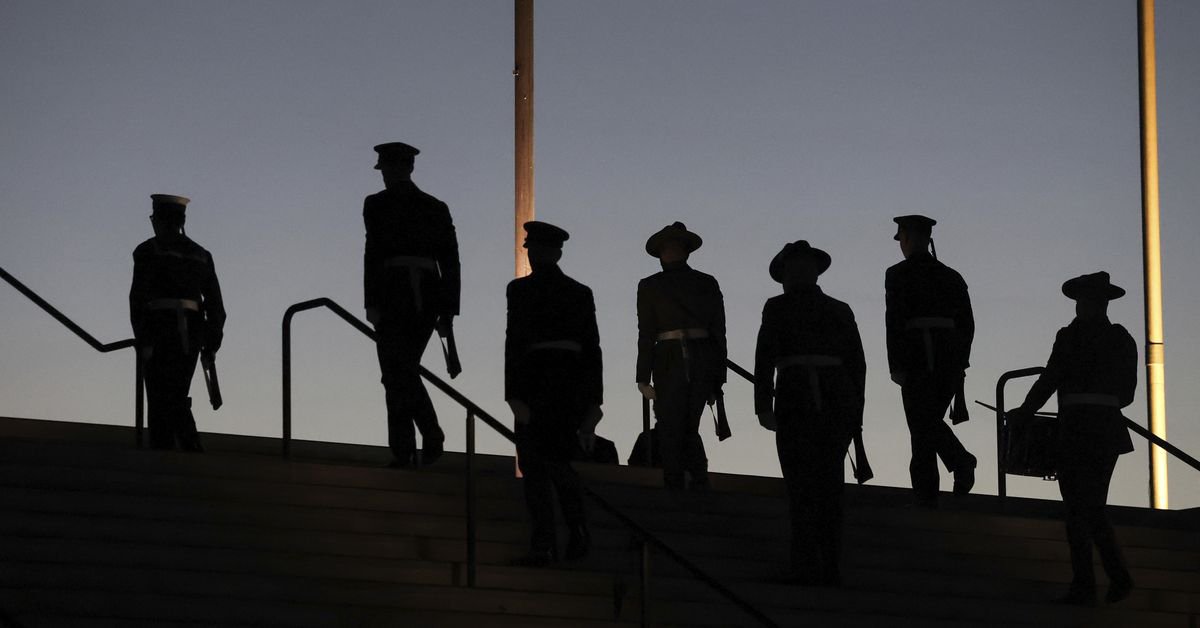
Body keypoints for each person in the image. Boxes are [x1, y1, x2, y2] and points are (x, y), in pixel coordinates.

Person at [1007, 272, 1136, 605]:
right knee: (1088, 506)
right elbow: (1128, 394)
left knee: (1081, 508)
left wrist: (1025, 411)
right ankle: (1104, 579)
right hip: (1106, 429)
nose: (1080, 305)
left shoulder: (1069, 337)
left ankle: (1098, 581)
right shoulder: (1122, 339)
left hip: (1076, 429)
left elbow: (1050, 380)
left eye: (1083, 299)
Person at [754, 241, 865, 586]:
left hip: (826, 401)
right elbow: (764, 359)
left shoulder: (838, 309)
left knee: (826, 489)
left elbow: (857, 364)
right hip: (798, 400)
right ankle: (810, 564)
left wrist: (855, 412)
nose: (798, 272)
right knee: (802, 488)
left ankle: (826, 565)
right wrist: (763, 406)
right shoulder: (780, 308)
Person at [505, 221, 603, 565]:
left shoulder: (537, 291)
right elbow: (591, 351)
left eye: (537, 249)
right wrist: (593, 401)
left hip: (550, 387)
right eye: (532, 249)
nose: (534, 255)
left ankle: (555, 538)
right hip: (556, 387)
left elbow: (515, 344)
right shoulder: (572, 292)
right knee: (548, 465)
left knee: (545, 465)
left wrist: (514, 394)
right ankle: (566, 535)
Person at [363, 142, 460, 468]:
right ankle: (415, 442)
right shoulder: (429, 207)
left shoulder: (391, 205)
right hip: (410, 298)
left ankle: (414, 443)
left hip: (407, 297)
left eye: (389, 168)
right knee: (397, 371)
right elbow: (373, 255)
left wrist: (447, 310)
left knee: (397, 371)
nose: (387, 175)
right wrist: (447, 309)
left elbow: (449, 260)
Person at [885, 214, 976, 507]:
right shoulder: (953, 277)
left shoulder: (897, 274)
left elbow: (895, 321)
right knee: (925, 424)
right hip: (949, 360)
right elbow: (968, 325)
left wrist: (896, 365)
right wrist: (961, 361)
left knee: (921, 424)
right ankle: (936, 485)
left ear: (907, 238)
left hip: (916, 360)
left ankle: (954, 467)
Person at [129, 194, 226, 451]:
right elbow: (216, 307)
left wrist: (143, 338)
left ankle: (182, 447)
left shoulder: (147, 251)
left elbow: (138, 300)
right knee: (174, 392)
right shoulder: (201, 255)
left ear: (158, 220)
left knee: (162, 395)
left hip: (158, 332)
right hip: (191, 336)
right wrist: (211, 341)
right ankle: (181, 447)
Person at [636, 222, 726, 490]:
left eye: (675, 246)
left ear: (686, 251)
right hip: (668, 359)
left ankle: (695, 479)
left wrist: (717, 378)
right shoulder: (649, 286)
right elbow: (646, 333)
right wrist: (642, 377)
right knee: (670, 423)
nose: (671, 251)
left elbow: (718, 332)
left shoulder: (706, 283)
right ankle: (678, 480)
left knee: (688, 424)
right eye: (668, 246)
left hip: (699, 359)